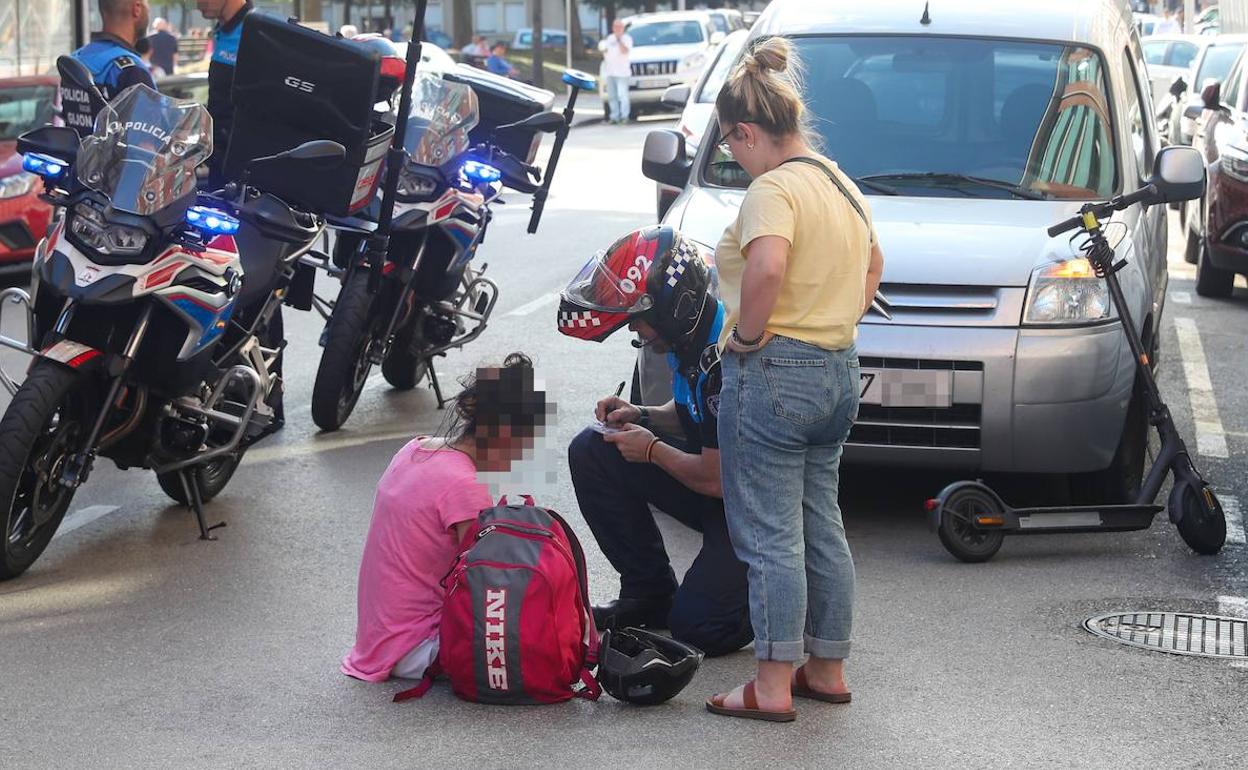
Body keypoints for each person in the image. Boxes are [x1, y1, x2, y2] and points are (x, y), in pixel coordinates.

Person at [704, 38, 885, 722]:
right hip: (838, 368)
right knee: (821, 524)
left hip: (774, 372)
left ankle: (772, 686)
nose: (734, 157)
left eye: (731, 145)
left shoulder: (773, 189)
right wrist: (835, 313)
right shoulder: (841, 183)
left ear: (746, 131)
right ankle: (827, 667)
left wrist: (748, 336)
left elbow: (768, 268)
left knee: (770, 535)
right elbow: (875, 266)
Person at [559, 226, 753, 658]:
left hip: (751, 509)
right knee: (592, 449)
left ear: (671, 309)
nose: (639, 333)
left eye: (639, 322)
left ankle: (776, 591)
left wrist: (650, 449)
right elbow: (693, 419)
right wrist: (642, 414)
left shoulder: (724, 356)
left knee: (698, 628)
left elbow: (719, 479)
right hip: (720, 485)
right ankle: (649, 592)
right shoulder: (690, 339)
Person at [342, 353, 547, 682]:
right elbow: (486, 587)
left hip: (379, 641)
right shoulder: (466, 487)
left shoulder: (415, 448)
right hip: (418, 648)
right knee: (536, 644)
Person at [64, 0, 156, 137]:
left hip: (78, 157)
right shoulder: (131, 71)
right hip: (117, 159)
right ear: (137, 8)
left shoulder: (76, 59)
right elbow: (147, 143)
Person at [196, 0, 252, 189]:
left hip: (243, 172)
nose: (198, 4)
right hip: (218, 161)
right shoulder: (223, 31)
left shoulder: (256, 32)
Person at [598, 19, 633, 124]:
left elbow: (625, 50)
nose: (617, 29)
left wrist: (619, 40)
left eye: (619, 27)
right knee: (612, 96)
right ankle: (614, 116)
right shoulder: (609, 39)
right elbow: (605, 50)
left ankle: (624, 116)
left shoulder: (627, 38)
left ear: (623, 28)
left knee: (622, 96)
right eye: (615, 27)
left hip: (622, 73)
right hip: (610, 72)